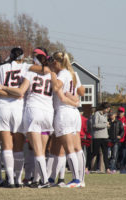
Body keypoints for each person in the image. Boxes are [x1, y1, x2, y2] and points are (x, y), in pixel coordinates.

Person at [0, 51, 56, 188]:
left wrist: (2, 86)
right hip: (48, 112)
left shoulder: (29, 72)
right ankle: (37, 179)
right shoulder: (52, 74)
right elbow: (58, 89)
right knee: (43, 149)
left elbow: (20, 91)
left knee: (37, 149)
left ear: (35, 62)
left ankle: (44, 180)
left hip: (34, 110)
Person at [50, 51, 86, 188]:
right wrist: (74, 98)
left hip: (64, 112)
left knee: (69, 148)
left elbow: (56, 87)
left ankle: (76, 179)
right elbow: (81, 92)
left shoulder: (63, 74)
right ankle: (81, 180)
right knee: (77, 148)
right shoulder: (73, 74)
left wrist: (53, 75)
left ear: (56, 62)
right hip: (74, 113)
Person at [90, 102, 112, 174]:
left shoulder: (106, 115)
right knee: (94, 153)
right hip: (97, 137)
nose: (108, 110)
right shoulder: (97, 114)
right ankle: (87, 167)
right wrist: (105, 125)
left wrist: (107, 126)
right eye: (107, 109)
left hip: (105, 137)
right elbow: (95, 125)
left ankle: (107, 169)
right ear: (104, 108)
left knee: (105, 153)